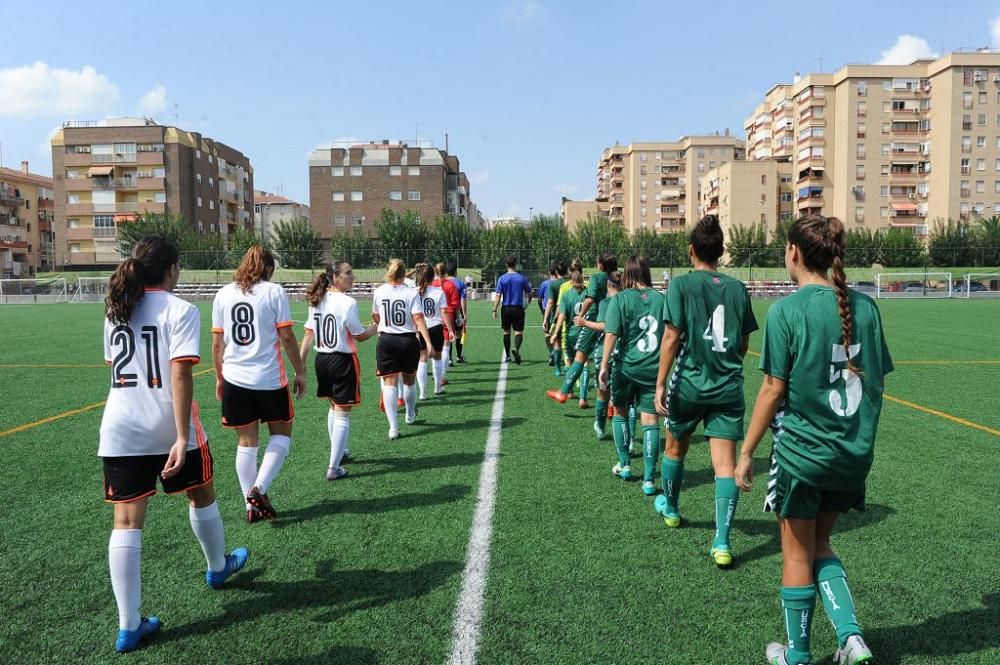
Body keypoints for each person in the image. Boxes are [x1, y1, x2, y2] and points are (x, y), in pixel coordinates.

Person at [733, 214, 893, 665]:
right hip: (852, 455)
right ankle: (851, 637)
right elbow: (877, 382)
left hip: (804, 455)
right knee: (821, 544)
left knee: (798, 552)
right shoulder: (867, 308)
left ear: (793, 252)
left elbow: (772, 388)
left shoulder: (787, 311)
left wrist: (746, 453)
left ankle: (798, 654)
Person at [100, 236, 247, 653]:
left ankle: (129, 627)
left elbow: (117, 367)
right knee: (201, 495)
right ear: (172, 269)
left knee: (126, 524)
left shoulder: (116, 308)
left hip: (121, 428)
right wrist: (181, 436)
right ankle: (218, 568)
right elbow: (179, 375)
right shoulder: (180, 310)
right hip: (168, 427)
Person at [651, 215, 759, 569]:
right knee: (725, 467)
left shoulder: (681, 286)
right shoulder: (737, 289)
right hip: (728, 388)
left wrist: (660, 383)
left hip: (689, 384)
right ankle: (722, 542)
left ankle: (671, 508)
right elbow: (742, 343)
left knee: (675, 449)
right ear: (723, 252)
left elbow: (671, 337)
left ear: (691, 250)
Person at [212, 246, 305, 523]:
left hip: (234, 379)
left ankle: (249, 505)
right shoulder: (273, 291)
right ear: (268, 268)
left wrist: (219, 377)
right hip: (269, 378)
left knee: (246, 442)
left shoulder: (223, 294)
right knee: (281, 435)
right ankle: (259, 489)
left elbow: (217, 343)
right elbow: (287, 337)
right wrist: (300, 372)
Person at [299, 262, 377, 481]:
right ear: (335, 277)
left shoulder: (317, 299)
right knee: (343, 412)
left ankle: (339, 452)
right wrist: (373, 329)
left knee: (334, 407)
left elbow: (307, 335)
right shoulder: (347, 302)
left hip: (321, 360)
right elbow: (359, 335)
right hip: (342, 360)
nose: (353, 276)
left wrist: (301, 366)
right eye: (348, 273)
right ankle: (333, 467)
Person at [598, 256, 665, 494]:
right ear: (646, 273)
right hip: (653, 370)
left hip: (626, 367)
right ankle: (649, 479)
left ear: (626, 274)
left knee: (620, 412)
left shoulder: (621, 299)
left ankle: (625, 464)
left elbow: (611, 334)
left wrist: (604, 365)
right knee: (650, 422)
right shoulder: (661, 299)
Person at [372, 259, 434, 440]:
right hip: (407, 340)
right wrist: (428, 342)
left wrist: (382, 325)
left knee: (390, 384)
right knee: (409, 382)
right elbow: (419, 319)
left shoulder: (379, 291)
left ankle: (393, 427)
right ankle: (409, 415)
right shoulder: (410, 293)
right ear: (403, 273)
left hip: (386, 340)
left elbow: (375, 315)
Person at [548, 253, 617, 403]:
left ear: (601, 265)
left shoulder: (596, 278)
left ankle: (564, 391)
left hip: (594, 321)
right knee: (614, 362)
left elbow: (590, 300)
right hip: (614, 322)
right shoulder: (619, 278)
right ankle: (612, 403)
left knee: (580, 358)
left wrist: (581, 315)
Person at [575, 270, 621, 439]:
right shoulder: (629, 300)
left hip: (605, 353)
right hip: (626, 354)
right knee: (624, 400)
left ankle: (601, 427)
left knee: (603, 392)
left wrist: (584, 322)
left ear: (609, 285)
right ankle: (628, 441)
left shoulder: (605, 303)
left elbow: (606, 326)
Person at [417, 263, 457, 397]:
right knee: (437, 357)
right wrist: (450, 330)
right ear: (432, 276)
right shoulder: (438, 292)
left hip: (420, 329)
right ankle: (437, 387)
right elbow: (444, 312)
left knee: (422, 359)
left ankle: (422, 392)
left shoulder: (414, 291)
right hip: (435, 327)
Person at [547, 267, 587, 401]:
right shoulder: (587, 293)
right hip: (586, 332)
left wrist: (555, 333)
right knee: (584, 363)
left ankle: (569, 391)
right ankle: (583, 398)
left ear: (570, 282)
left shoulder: (567, 295)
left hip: (570, 333)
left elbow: (562, 316)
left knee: (570, 362)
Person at [492, 255, 533, 364]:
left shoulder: (502, 278)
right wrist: (528, 302)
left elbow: (498, 295)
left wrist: (494, 310)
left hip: (506, 308)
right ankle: (516, 349)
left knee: (506, 332)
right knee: (518, 331)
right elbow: (530, 292)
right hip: (518, 308)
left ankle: (508, 356)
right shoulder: (521, 278)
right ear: (516, 265)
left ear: (506, 264)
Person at [433, 263, 461, 374]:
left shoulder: (431, 284)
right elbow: (455, 305)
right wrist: (459, 317)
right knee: (445, 346)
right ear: (445, 272)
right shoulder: (450, 285)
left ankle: (436, 374)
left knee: (433, 348)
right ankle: (442, 375)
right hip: (447, 316)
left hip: (433, 316)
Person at [541, 260, 568, 374]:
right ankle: (568, 365)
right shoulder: (569, 283)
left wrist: (545, 318)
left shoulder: (553, 284)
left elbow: (550, 302)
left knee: (556, 341)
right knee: (567, 341)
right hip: (569, 315)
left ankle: (557, 368)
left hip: (556, 315)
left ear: (556, 271)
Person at [447, 262, 468, 364]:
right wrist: (464, 314)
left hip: (446, 313)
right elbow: (462, 300)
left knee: (448, 334)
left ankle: (449, 359)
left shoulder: (444, 283)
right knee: (459, 333)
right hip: (458, 312)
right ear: (455, 271)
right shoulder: (461, 283)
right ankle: (459, 356)